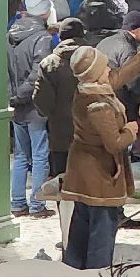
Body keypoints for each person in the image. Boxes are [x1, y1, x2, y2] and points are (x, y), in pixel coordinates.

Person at [61, 46, 136, 270]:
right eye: (105, 67)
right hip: (100, 178)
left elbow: (114, 80)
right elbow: (113, 143)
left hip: (82, 175)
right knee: (101, 236)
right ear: (95, 73)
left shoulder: (86, 90)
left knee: (79, 233)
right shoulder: (98, 104)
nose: (110, 69)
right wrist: (130, 131)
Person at [8, 0, 57, 219]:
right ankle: (37, 204)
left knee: (20, 155)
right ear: (46, 11)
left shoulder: (11, 33)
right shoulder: (43, 38)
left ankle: (17, 202)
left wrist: (13, 96)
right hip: (33, 104)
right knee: (39, 155)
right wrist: (24, 95)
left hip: (16, 104)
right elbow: (39, 72)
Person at [32, 17, 85, 179]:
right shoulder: (93, 58)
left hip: (60, 134)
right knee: (88, 183)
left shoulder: (49, 63)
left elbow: (42, 101)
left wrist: (52, 115)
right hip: (91, 132)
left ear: (61, 37)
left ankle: (65, 205)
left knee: (63, 182)